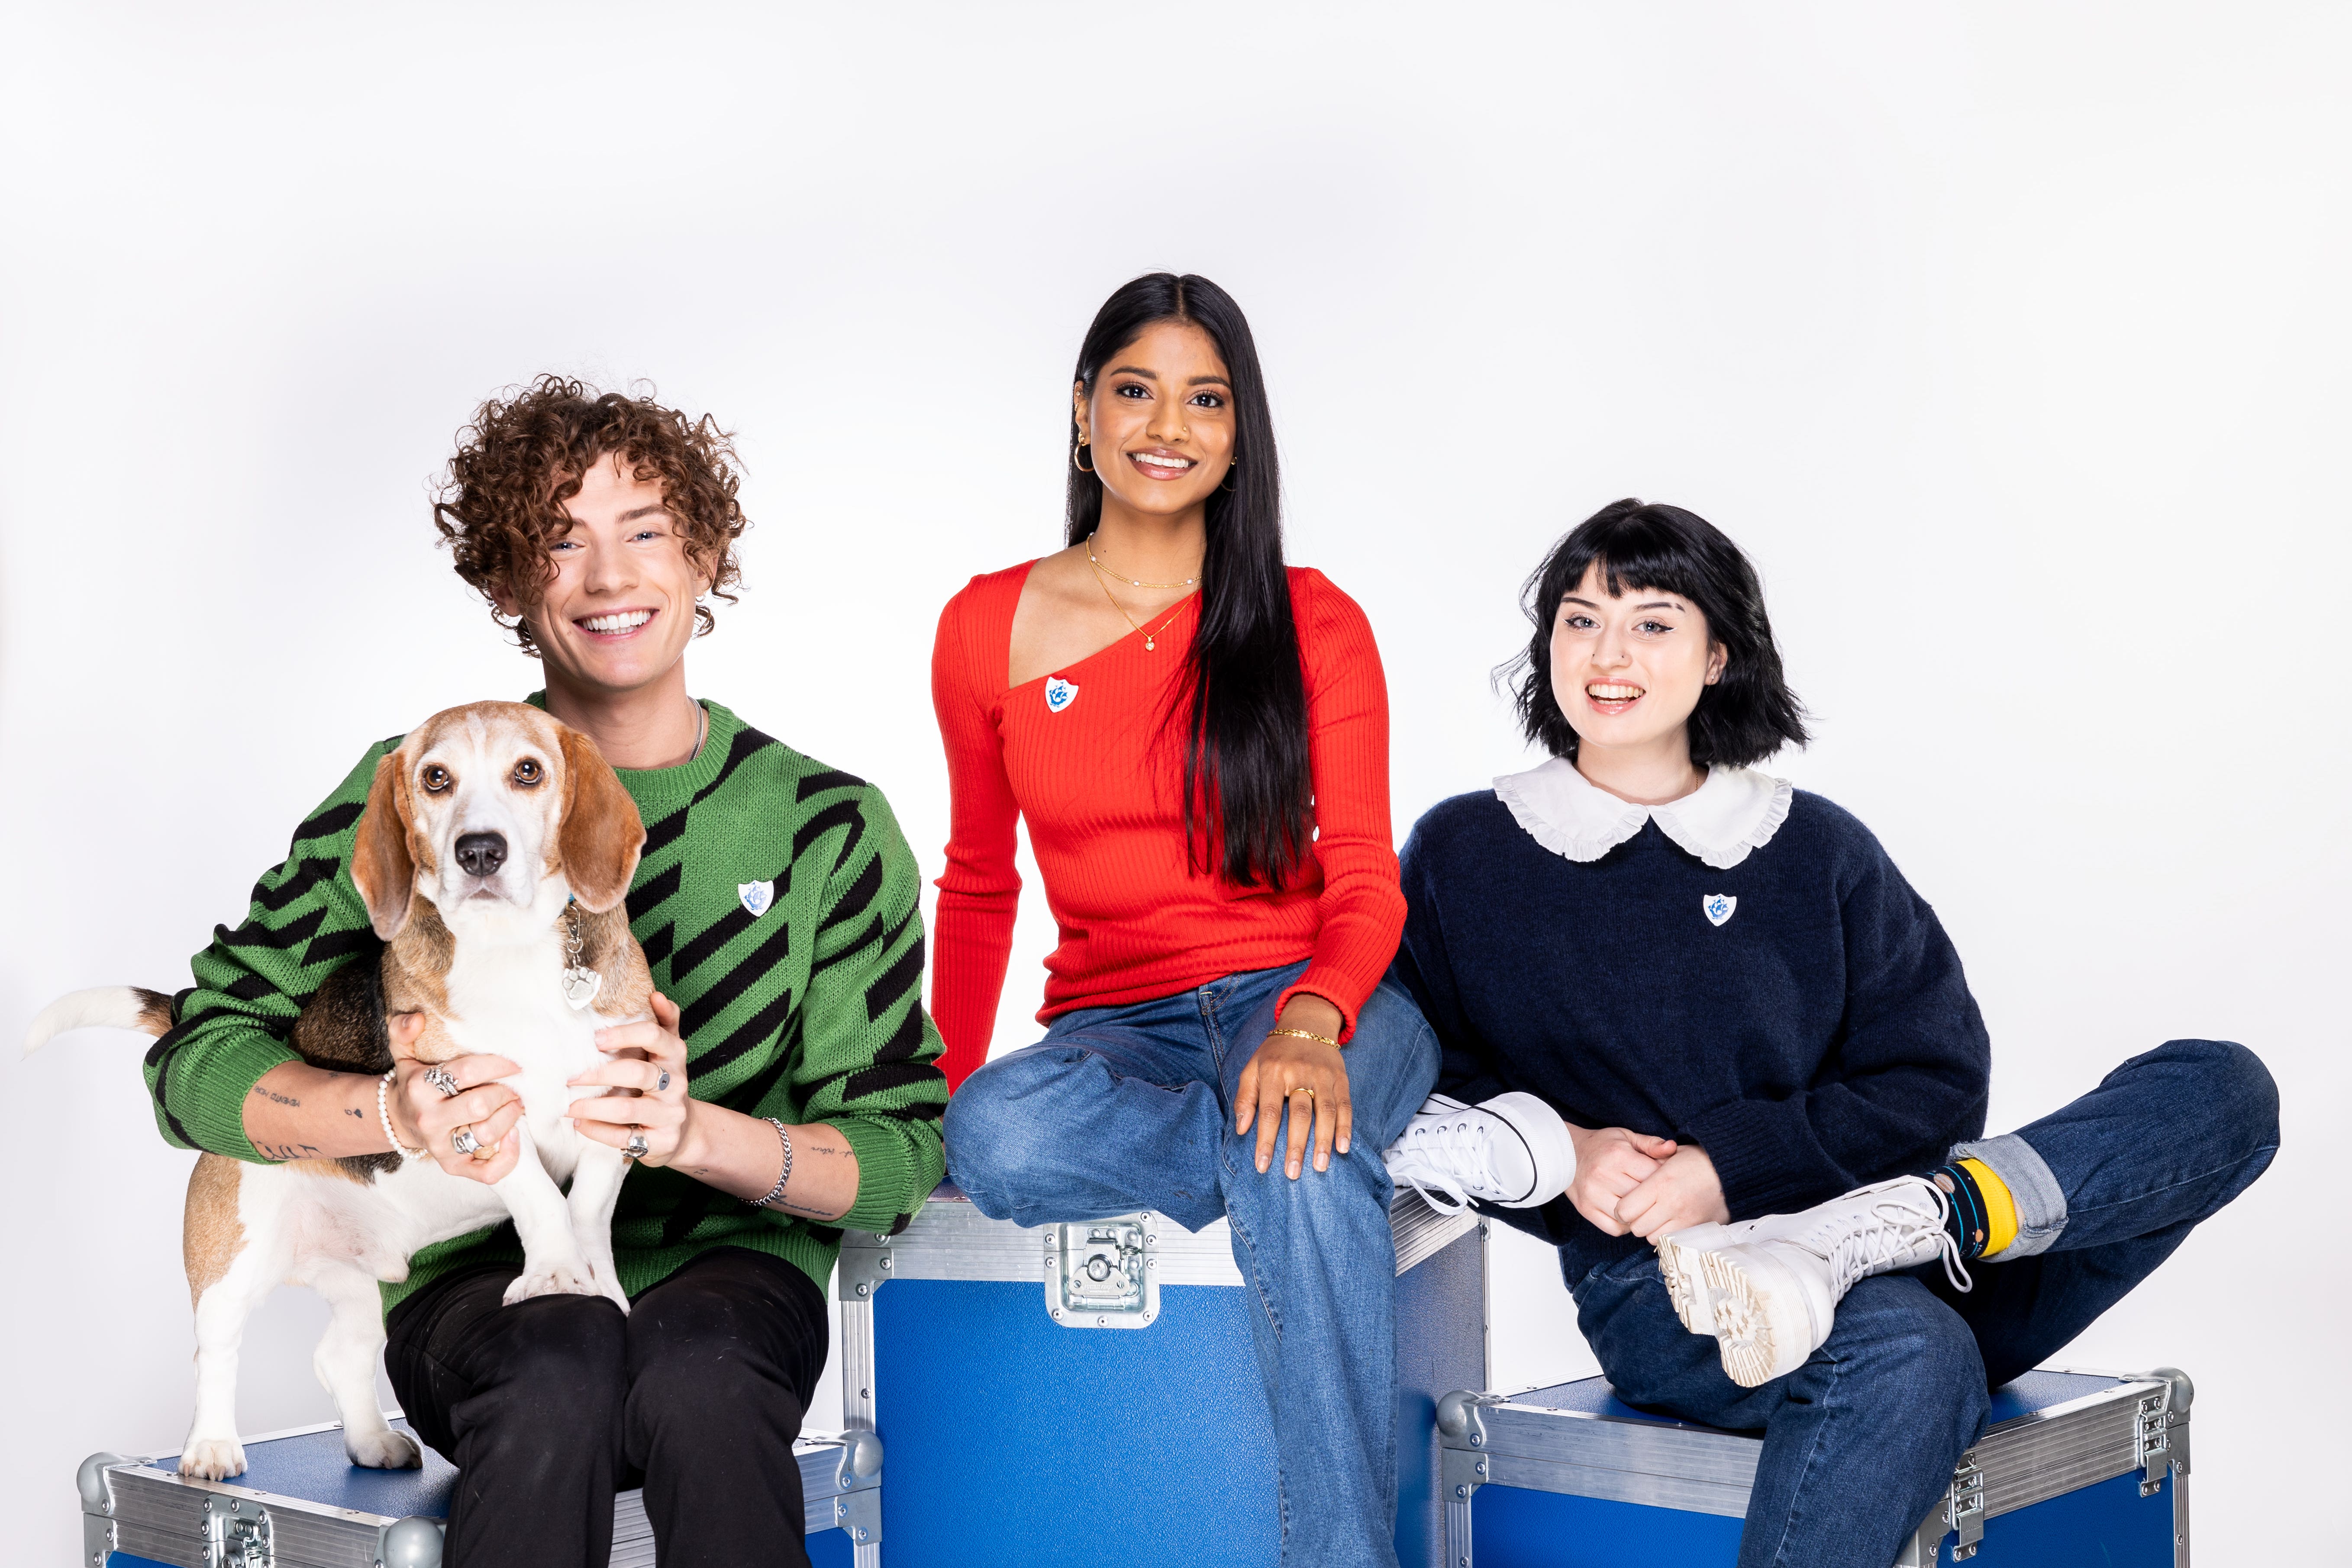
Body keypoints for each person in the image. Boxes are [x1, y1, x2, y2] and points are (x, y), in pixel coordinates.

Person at [141, 377, 948, 1568]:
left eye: (646, 532)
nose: (610, 576)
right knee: (556, 1365)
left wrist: (692, 1131)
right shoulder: (404, 784)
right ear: (508, 584)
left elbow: (899, 1153)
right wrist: (388, 1110)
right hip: (465, 1270)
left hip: (736, 1275)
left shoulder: (826, 823)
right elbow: (195, 1060)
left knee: (705, 1383)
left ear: (706, 554)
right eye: (560, 541)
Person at [1382, 498, 2278, 1568]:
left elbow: (1938, 1078)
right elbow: (1410, 1089)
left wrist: (1735, 1165)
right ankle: (1855, 1250)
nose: (1607, 654)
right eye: (1579, 620)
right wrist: (1566, 1154)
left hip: (1911, 1241)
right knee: (1909, 1352)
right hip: (1677, 1291)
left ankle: (1911, 1216)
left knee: (2225, 1086)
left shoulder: (1812, 846)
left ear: (1717, 655)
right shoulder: (1466, 851)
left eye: (1651, 622)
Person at [933, 273, 1439, 1567]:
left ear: (1239, 428)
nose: (1169, 423)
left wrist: (1317, 1024)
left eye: (1206, 397)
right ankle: (1311, 1146)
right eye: (1137, 388)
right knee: (993, 1135)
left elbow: (1366, 873)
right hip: (1119, 1032)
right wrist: (931, 1089)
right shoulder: (988, 624)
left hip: (1315, 993)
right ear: (1084, 412)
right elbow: (983, 879)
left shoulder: (1312, 617)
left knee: (1296, 1140)